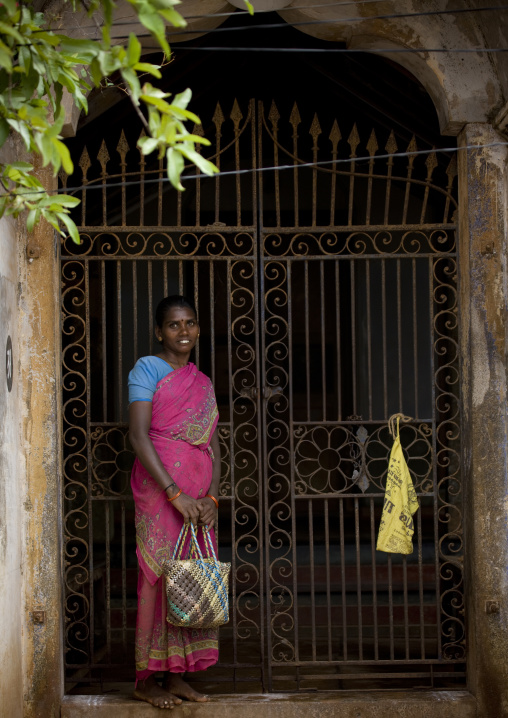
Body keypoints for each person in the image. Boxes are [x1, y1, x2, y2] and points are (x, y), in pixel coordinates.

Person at [128, 295, 221, 709]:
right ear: (159, 331)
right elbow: (138, 435)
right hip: (162, 494)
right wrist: (174, 493)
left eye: (189, 324)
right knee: (159, 578)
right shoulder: (147, 369)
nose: (183, 332)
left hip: (199, 502)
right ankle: (146, 679)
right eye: (173, 325)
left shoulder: (203, 382)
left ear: (199, 329)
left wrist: (211, 497)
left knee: (190, 578)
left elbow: (214, 443)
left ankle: (177, 675)